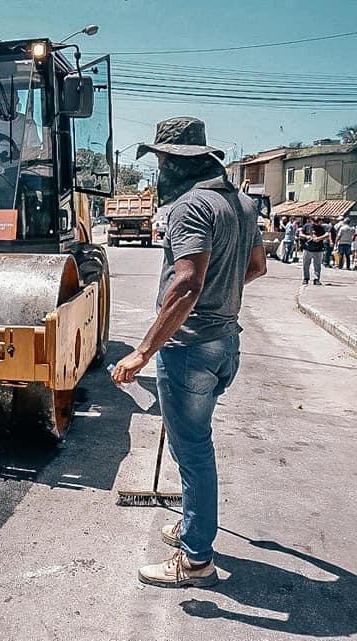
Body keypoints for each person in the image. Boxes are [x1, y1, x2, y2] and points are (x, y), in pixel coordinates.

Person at [111, 117, 266, 589]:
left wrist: (141, 352)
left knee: (193, 453)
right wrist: (218, 295)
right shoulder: (240, 203)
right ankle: (191, 527)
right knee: (195, 444)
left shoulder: (191, 207)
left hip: (191, 349)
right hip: (225, 343)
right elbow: (256, 266)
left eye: (160, 161)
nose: (158, 171)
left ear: (179, 162)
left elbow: (187, 283)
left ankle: (197, 560)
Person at [0, 92, 42, 159]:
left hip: (17, 167)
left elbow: (35, 150)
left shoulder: (27, 123)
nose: (7, 102)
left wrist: (20, 156)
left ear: (17, 100)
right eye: (3, 99)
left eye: (10, 99)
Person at [300, 216, 328, 285]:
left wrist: (319, 238)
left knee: (317, 265)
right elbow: (300, 234)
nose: (316, 223)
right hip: (307, 249)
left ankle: (316, 279)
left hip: (318, 250)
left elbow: (327, 235)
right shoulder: (307, 226)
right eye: (315, 221)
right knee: (305, 265)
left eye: (318, 221)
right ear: (312, 220)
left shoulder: (322, 227)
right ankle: (306, 278)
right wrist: (306, 236)